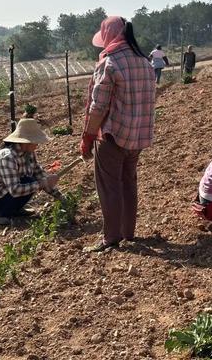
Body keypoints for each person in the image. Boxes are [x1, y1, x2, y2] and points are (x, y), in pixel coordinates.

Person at [80, 16, 156, 252]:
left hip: (112, 136)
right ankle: (128, 233)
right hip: (136, 138)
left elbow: (98, 107)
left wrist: (88, 137)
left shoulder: (110, 62)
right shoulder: (145, 62)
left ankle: (111, 238)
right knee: (128, 183)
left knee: (109, 187)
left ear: (110, 35)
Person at [0, 118, 61, 225]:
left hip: (5, 193)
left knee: (31, 181)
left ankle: (15, 209)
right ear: (26, 142)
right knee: (29, 182)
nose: (38, 144)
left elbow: (40, 175)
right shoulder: (7, 157)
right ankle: (0, 214)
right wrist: (42, 183)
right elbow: (15, 190)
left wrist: (59, 197)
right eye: (36, 141)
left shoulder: (29, 154)